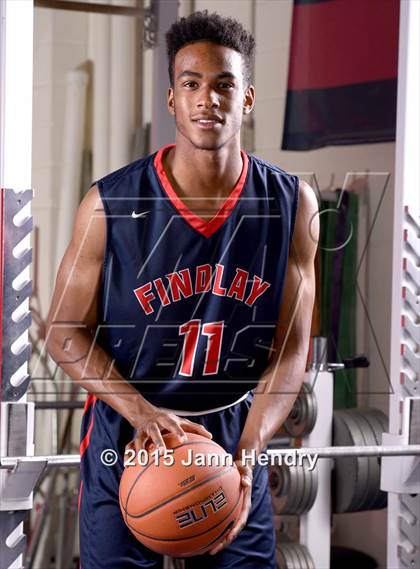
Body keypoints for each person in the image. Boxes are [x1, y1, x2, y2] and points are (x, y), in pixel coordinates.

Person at [46, 10, 318, 569]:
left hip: (231, 424)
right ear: (172, 99)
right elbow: (62, 331)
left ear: (246, 99)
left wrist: (245, 455)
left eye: (224, 85)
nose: (206, 100)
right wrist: (142, 412)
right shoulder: (110, 204)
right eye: (191, 84)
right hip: (127, 427)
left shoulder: (291, 206)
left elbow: (291, 349)